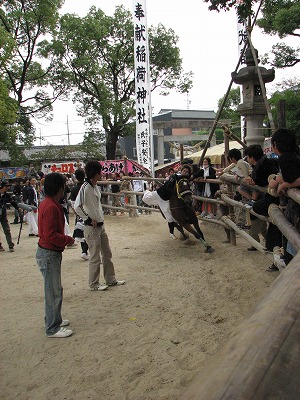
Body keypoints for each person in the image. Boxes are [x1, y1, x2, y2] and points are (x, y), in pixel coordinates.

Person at [74, 161, 125, 291]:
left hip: (100, 226)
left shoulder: (94, 186)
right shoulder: (85, 187)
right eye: (99, 172)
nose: (101, 174)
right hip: (91, 227)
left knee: (107, 253)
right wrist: (88, 219)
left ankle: (111, 279)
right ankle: (94, 284)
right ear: (95, 173)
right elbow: (77, 206)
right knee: (95, 256)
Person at [36, 172, 75, 338]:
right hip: (49, 253)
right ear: (59, 188)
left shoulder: (49, 203)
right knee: (53, 291)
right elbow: (51, 235)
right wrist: (67, 240)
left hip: (49, 252)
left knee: (54, 289)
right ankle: (52, 327)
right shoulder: (51, 206)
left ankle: (54, 319)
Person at [269, 128, 300, 268]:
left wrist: (282, 185)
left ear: (276, 144)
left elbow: (294, 179)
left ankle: (289, 259)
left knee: (291, 230)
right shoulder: (295, 155)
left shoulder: (284, 158)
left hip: (296, 204)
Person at [244, 144, 280, 254]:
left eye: (247, 157)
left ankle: (259, 242)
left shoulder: (264, 166)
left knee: (256, 209)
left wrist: (255, 182)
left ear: (252, 157)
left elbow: (265, 180)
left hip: (274, 199)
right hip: (268, 198)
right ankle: (262, 239)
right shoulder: (263, 164)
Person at [70, 168, 89, 260]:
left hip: (79, 213)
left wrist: (76, 212)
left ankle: (84, 251)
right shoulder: (87, 187)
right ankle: (86, 251)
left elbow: (73, 203)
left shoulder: (74, 189)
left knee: (81, 233)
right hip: (88, 211)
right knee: (89, 232)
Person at [0, 181, 18, 252]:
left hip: (3, 214)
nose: (7, 188)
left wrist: (18, 208)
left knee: (7, 229)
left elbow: (12, 202)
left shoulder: (7, 195)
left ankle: (10, 245)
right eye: (6, 186)